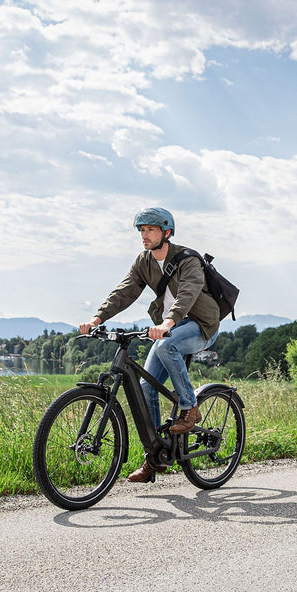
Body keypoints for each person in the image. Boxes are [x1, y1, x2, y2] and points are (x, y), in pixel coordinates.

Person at [79, 207, 221, 483]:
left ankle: (190, 407)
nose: (145, 235)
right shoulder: (143, 262)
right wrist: (97, 318)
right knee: (146, 386)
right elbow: (125, 291)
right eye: (142, 230)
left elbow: (189, 293)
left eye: (151, 230)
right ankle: (155, 455)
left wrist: (168, 322)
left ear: (167, 233)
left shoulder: (188, 259)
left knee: (168, 347)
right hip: (169, 328)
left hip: (199, 325)